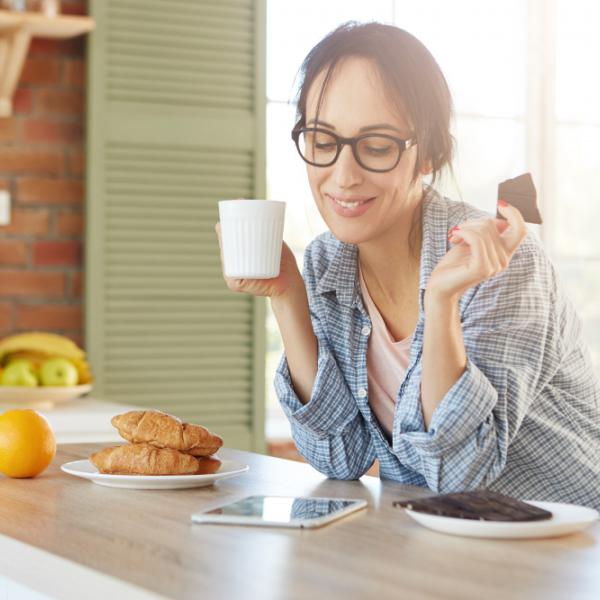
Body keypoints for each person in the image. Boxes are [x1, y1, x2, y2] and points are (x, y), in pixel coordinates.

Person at [217, 22, 600, 508]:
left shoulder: (502, 262)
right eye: (321, 140)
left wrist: (441, 302)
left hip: (570, 554)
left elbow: (460, 473)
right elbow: (339, 456)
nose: (342, 176)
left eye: (376, 147)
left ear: (430, 155)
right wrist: (288, 295)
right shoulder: (324, 267)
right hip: (442, 548)